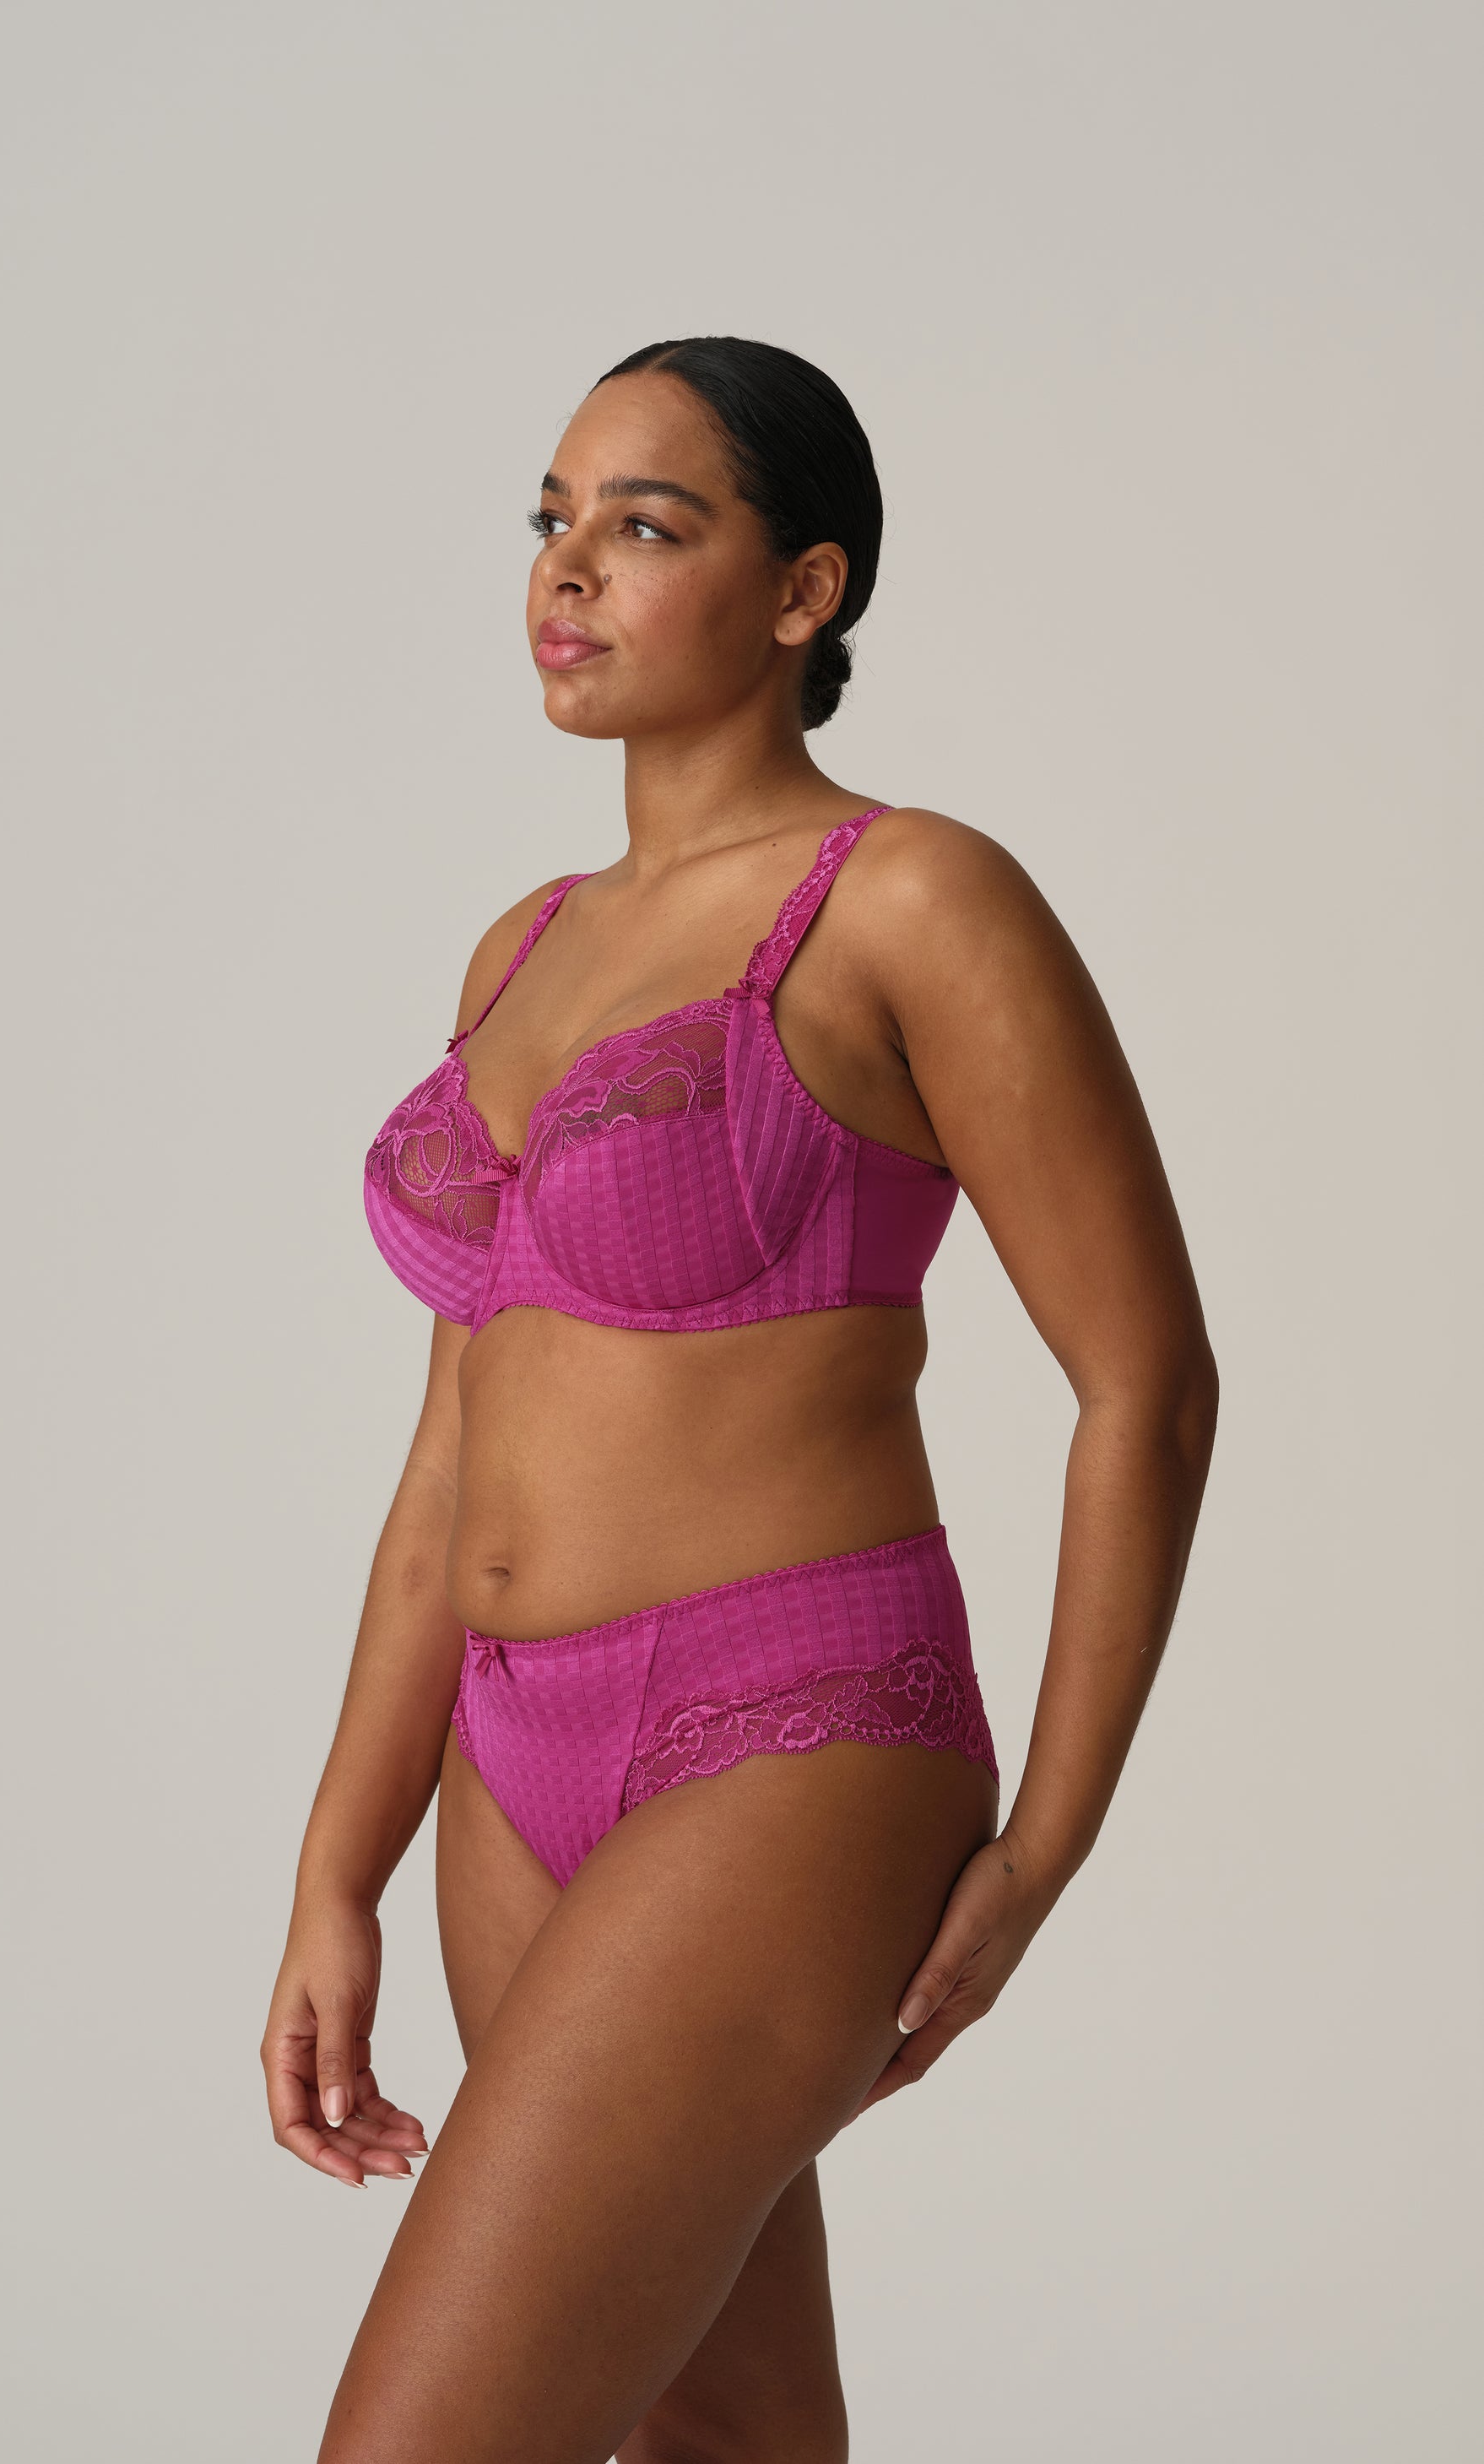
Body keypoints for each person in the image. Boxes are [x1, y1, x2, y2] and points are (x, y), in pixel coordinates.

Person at [261, 334, 1218, 2464]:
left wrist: (1044, 1845)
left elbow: (1144, 1383)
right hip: (508, 1760)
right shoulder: (518, 949)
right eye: (552, 519)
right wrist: (339, 1865)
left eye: (645, 524)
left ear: (803, 590)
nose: (567, 569)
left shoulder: (909, 897)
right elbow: (446, 1471)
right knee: (725, 2433)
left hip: (791, 1732)